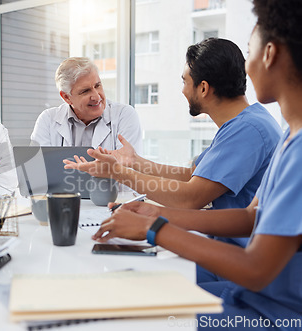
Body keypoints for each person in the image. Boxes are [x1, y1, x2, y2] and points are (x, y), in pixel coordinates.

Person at [92, 0, 302, 327]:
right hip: (253, 289)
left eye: (251, 50)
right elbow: (248, 213)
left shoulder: (257, 130)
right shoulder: (288, 135)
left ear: (270, 54)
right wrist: (155, 207)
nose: (247, 67)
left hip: (273, 310)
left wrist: (152, 223)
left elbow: (193, 195)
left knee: (134, 306)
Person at [65, 38, 281, 248]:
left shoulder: (247, 131)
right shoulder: (245, 123)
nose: (183, 90)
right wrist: (135, 161)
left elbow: (190, 199)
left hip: (239, 256)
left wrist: (120, 173)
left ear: (203, 88)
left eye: (185, 81)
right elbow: (191, 176)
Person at [30, 57, 143, 152]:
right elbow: (38, 170)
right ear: (66, 97)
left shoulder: (125, 115)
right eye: (85, 91)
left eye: (97, 86)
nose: (97, 97)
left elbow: (129, 171)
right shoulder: (48, 120)